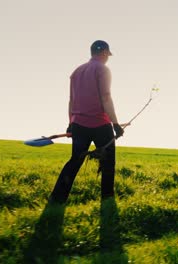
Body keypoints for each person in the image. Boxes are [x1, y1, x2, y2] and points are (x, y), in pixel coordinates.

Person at [49, 40, 124, 203]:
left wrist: (71, 122)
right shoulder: (103, 69)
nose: (108, 58)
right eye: (108, 54)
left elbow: (71, 100)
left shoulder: (76, 72)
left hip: (78, 123)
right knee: (108, 163)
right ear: (104, 52)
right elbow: (106, 97)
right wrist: (115, 124)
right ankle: (107, 198)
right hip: (100, 124)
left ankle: (57, 198)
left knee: (75, 160)